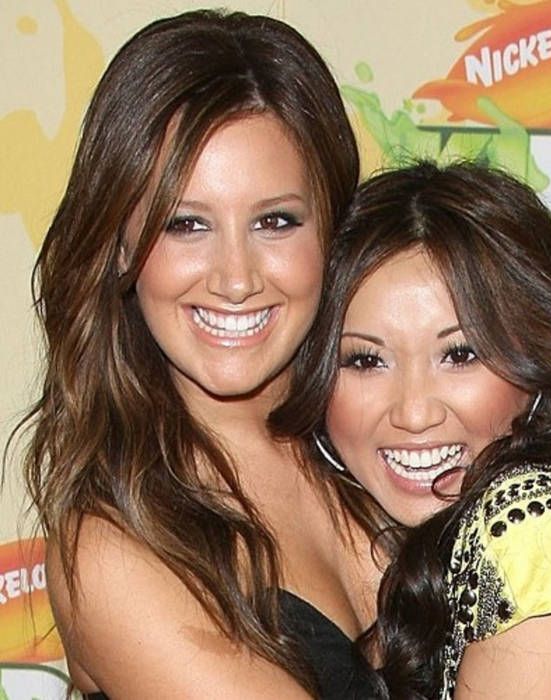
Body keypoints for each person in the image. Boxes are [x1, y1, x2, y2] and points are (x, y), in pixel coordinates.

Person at [16, 9, 390, 698]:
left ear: (333, 231)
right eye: (186, 225)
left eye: (275, 221)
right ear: (120, 246)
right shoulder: (113, 548)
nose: (236, 278)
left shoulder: (393, 446)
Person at [271, 160, 551, 698]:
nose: (413, 413)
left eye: (460, 354)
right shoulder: (431, 540)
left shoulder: (534, 531)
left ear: (538, 362)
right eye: (365, 360)